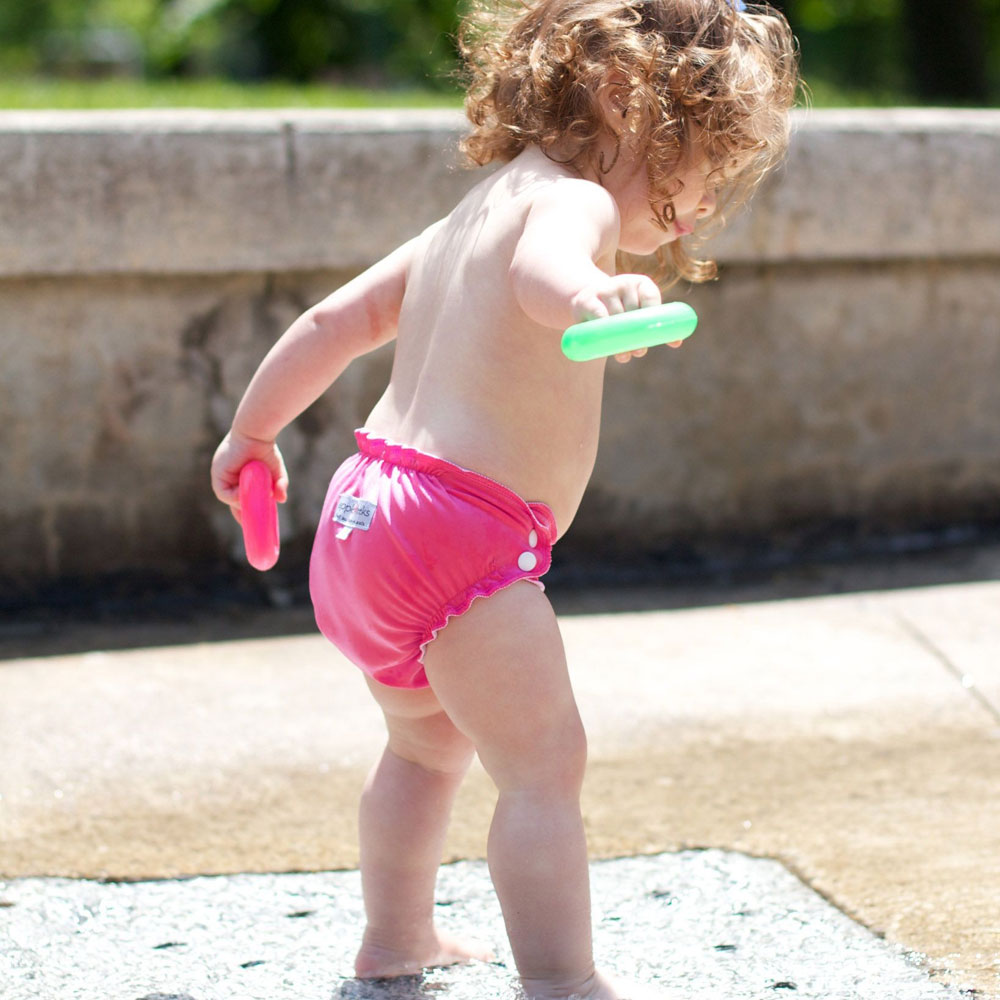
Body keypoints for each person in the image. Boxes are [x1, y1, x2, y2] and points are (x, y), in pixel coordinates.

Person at [211, 1, 799, 996]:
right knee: (542, 767)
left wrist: (252, 435)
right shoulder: (575, 207)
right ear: (624, 98)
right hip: (460, 532)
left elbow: (333, 322)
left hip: (365, 517)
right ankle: (562, 981)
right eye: (704, 158)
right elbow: (545, 273)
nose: (702, 201)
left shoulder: (467, 215)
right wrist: (589, 296)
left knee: (423, 748)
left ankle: (395, 940)